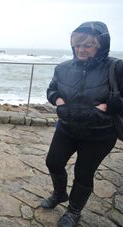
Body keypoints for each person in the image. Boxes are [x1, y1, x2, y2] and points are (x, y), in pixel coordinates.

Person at [43, 21, 123, 227]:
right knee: (53, 162)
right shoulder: (62, 68)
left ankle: (74, 211)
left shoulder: (116, 67)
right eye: (77, 45)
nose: (81, 50)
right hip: (67, 128)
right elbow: (52, 90)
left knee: (83, 173)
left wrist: (108, 106)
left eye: (88, 45)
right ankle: (59, 194)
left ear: (101, 45)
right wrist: (59, 102)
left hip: (100, 134)